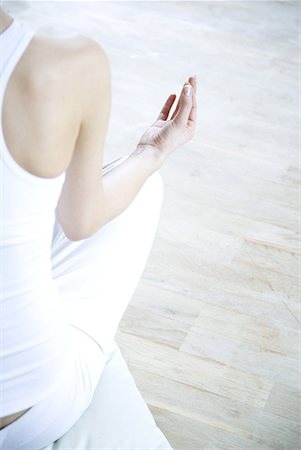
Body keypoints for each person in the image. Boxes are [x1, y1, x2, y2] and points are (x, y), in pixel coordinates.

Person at [0, 6, 197, 449]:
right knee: (141, 191)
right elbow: (80, 221)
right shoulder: (68, 64)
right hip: (27, 411)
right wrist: (152, 150)